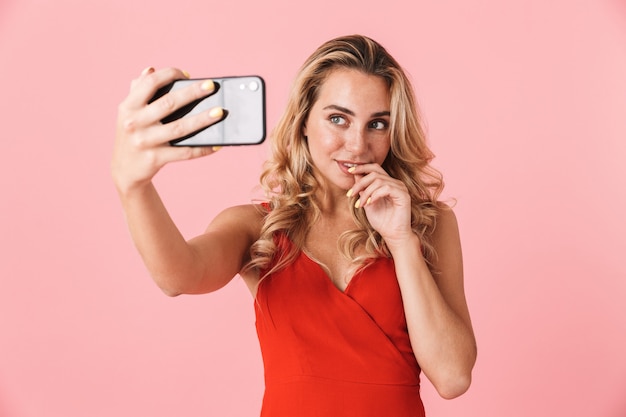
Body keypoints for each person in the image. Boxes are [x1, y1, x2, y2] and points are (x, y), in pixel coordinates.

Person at [112, 34, 476, 417]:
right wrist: (133, 186)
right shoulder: (257, 227)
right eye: (338, 118)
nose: (356, 145)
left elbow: (453, 378)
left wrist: (402, 241)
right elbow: (179, 276)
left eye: (378, 124)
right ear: (303, 121)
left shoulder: (427, 224)